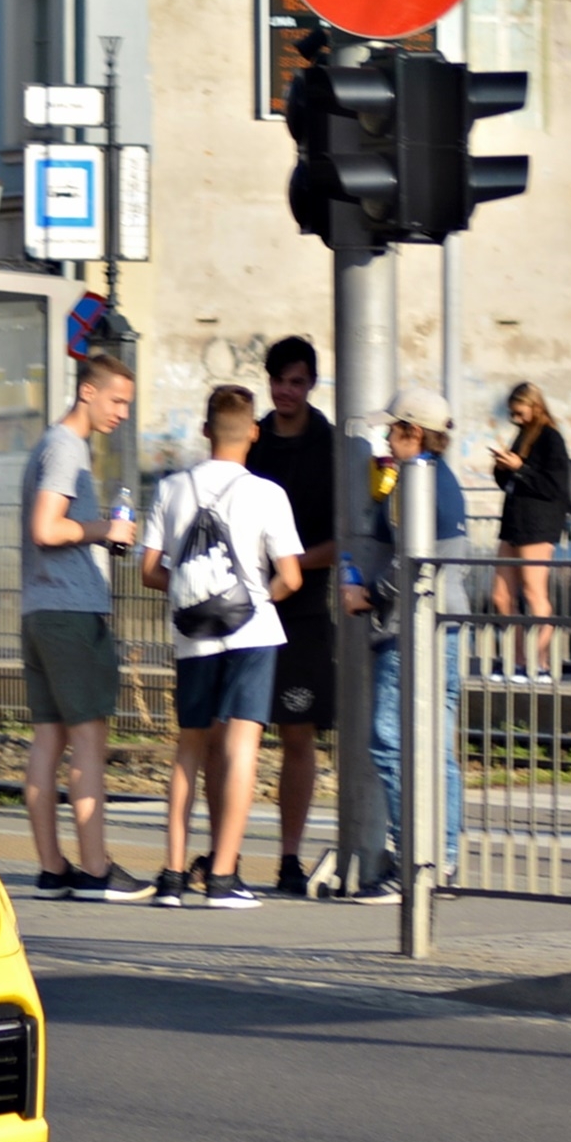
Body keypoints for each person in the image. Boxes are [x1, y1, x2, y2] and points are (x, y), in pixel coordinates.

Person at [138, 385, 304, 909]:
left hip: (192, 635)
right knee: (240, 748)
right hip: (251, 634)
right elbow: (291, 577)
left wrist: (197, 592)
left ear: (205, 430)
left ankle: (170, 874)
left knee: (189, 748)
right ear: (253, 433)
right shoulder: (267, 493)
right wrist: (255, 600)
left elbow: (149, 571)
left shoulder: (170, 488)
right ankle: (225, 876)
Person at [20, 351, 152, 903]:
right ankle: (96, 870)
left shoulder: (50, 445)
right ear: (88, 392)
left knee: (48, 741)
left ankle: (54, 869)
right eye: (117, 400)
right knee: (88, 745)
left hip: (40, 610)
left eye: (128, 402)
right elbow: (46, 528)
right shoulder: (66, 449)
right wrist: (104, 529)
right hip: (71, 613)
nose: (122, 412)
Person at [345, 390, 469, 904]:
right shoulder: (446, 482)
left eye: (392, 430)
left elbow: (411, 562)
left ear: (413, 433)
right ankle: (444, 859)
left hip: (406, 629)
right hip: (447, 626)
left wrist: (366, 594)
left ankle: (409, 863)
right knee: (439, 749)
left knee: (389, 742)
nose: (386, 438)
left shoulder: (413, 484)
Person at [242, 336, 339, 896]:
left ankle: (288, 858)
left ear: (311, 385)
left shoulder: (328, 446)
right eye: (279, 380)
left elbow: (341, 537)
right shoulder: (253, 441)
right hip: (248, 607)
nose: (285, 391)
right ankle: (223, 852)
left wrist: (294, 565)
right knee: (237, 733)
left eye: (296, 381)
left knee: (298, 734)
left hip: (304, 609)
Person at [488, 381, 571, 682]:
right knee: (500, 595)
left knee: (535, 592)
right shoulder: (524, 435)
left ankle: (540, 664)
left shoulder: (550, 438)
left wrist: (520, 467)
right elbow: (511, 481)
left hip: (537, 524)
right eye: (512, 414)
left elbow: (554, 487)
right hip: (513, 521)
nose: (516, 418)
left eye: (519, 412)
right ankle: (517, 659)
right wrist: (502, 467)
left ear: (535, 406)